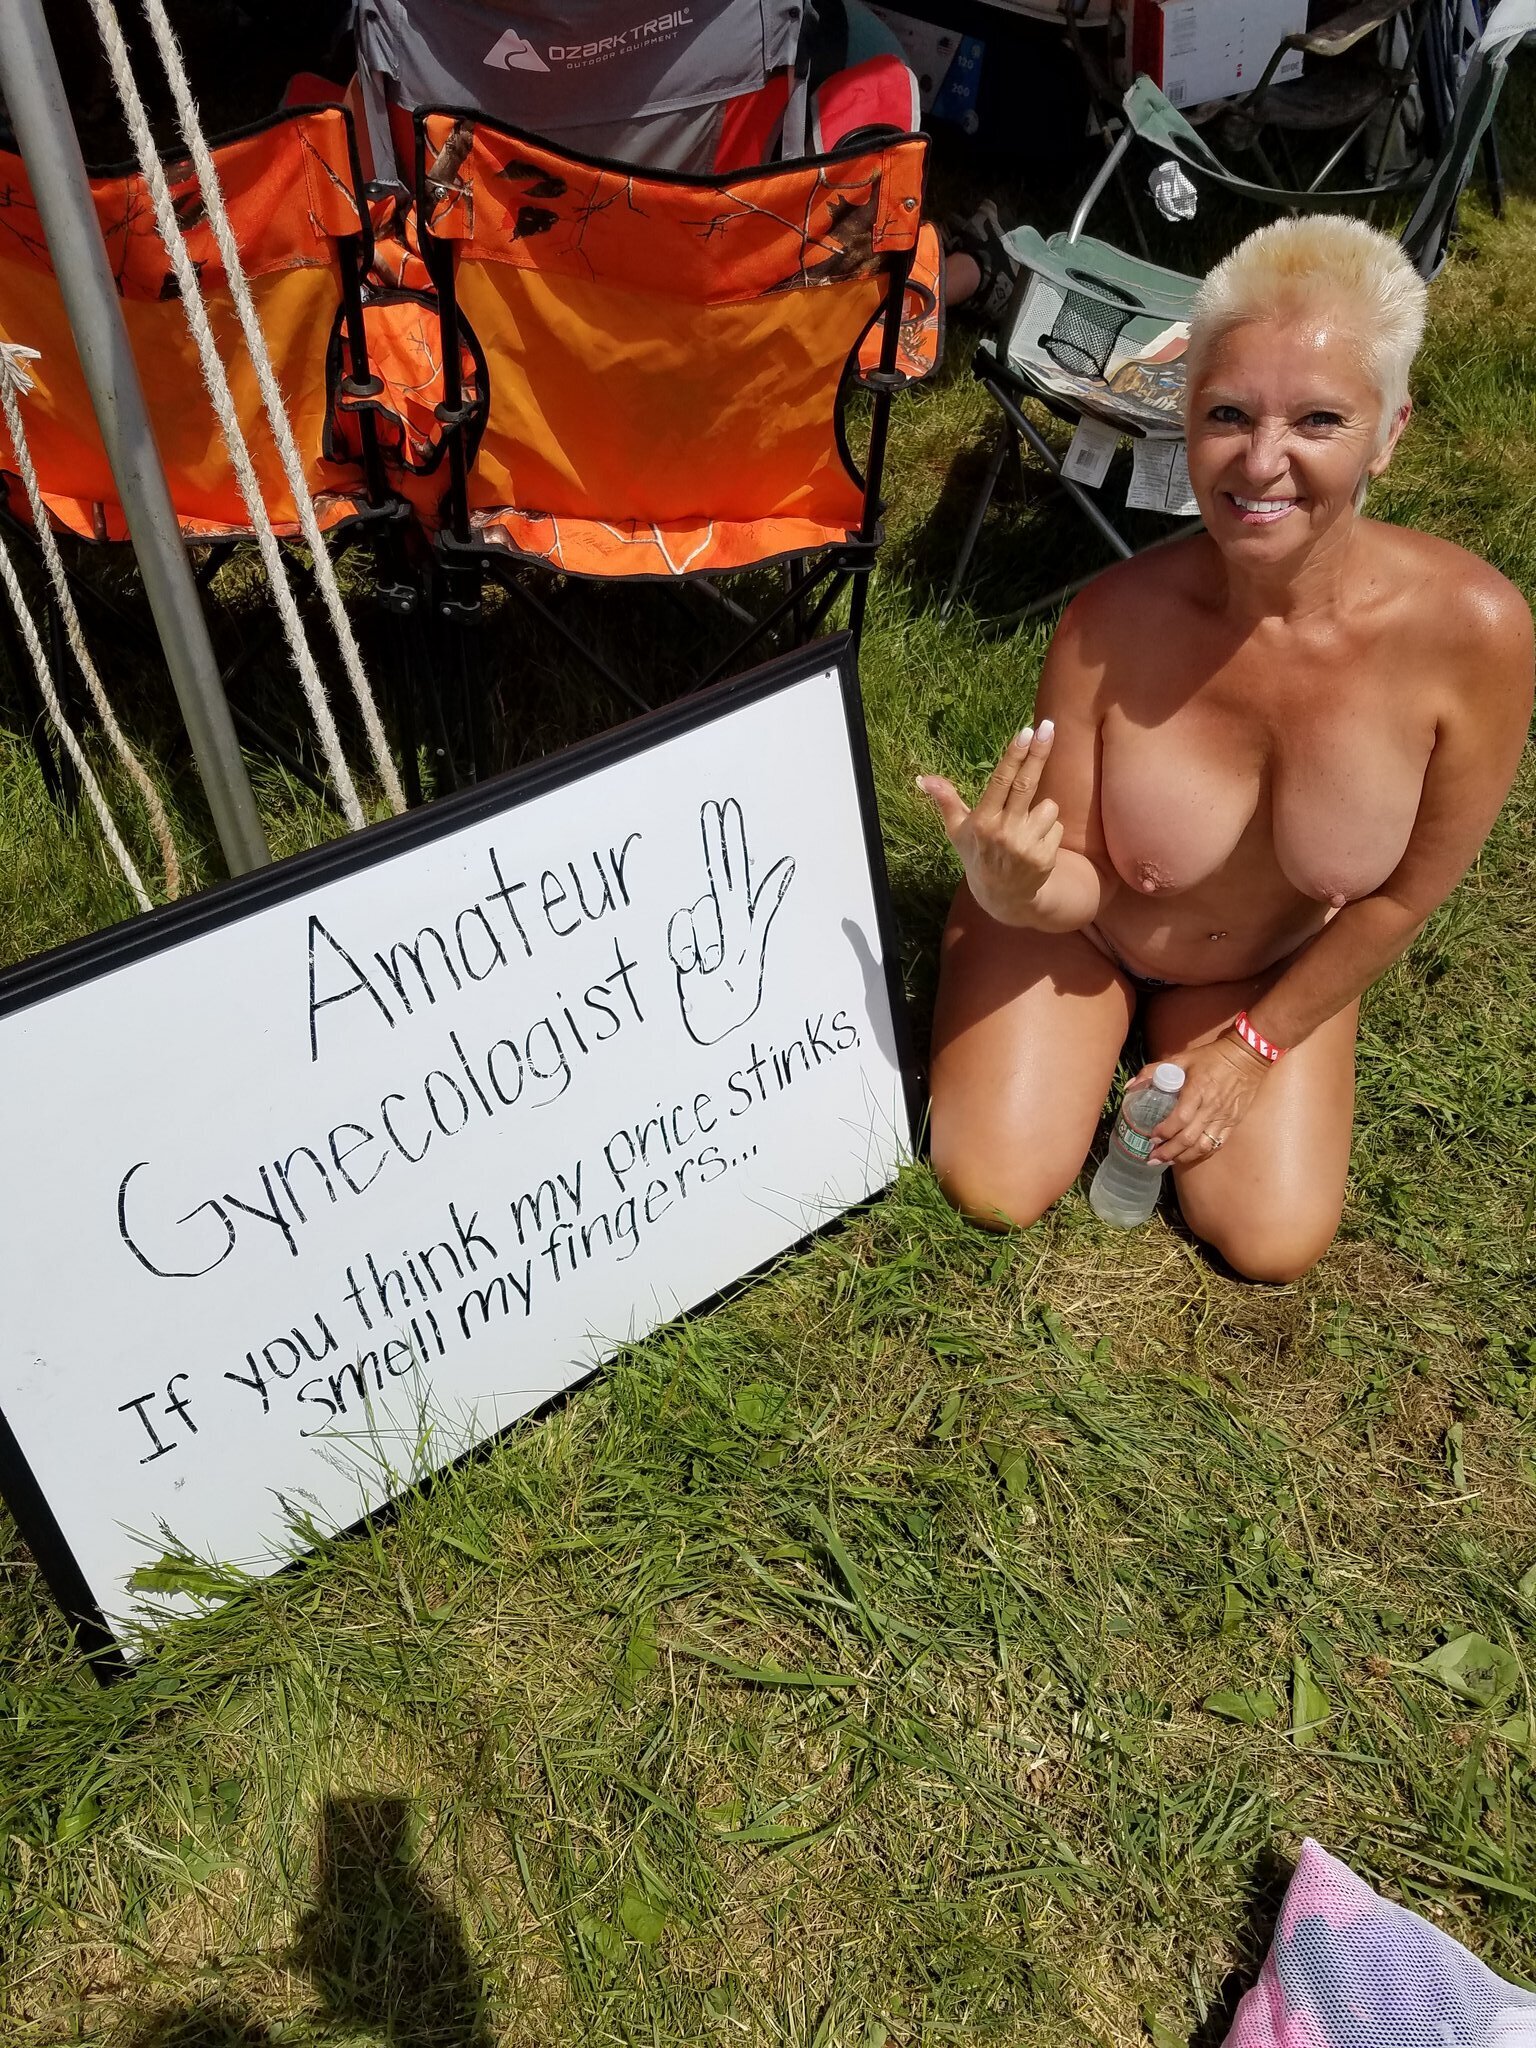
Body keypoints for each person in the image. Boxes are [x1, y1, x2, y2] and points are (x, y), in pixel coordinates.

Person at [918, 214, 1533, 1282]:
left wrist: (1257, 1045)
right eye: (1228, 415)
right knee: (992, 1184)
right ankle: (1075, 1013)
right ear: (1187, 418)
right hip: (1082, 933)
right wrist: (1014, 884)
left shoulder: (1475, 635)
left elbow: (1402, 897)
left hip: (1259, 971)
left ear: (1389, 433)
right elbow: (1079, 874)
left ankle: (1204, 1034)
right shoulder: (1111, 622)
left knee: (1271, 1241)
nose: (1261, 460)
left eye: (1319, 418)